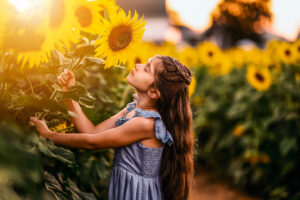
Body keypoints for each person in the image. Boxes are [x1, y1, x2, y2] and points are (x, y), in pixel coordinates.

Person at [28, 55, 195, 200]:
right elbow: (92, 131)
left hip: (137, 194)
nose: (138, 65)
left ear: (153, 92)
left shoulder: (145, 124)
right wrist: (68, 93)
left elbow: (92, 142)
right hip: (126, 188)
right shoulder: (132, 110)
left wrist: (48, 135)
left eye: (146, 68)